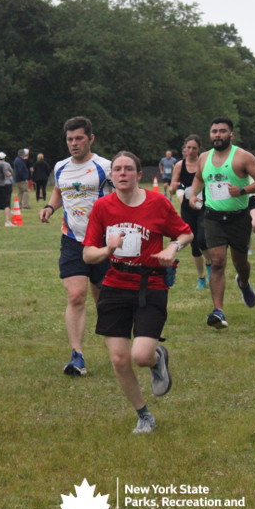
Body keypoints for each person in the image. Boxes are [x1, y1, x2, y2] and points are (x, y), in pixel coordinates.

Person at [82, 151, 193, 434]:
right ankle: (144, 415)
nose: (122, 173)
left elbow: (185, 233)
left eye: (128, 169)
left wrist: (172, 247)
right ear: (111, 176)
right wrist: (108, 249)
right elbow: (88, 254)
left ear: (138, 174)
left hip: (151, 285)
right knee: (119, 359)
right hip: (115, 285)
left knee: (141, 356)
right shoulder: (102, 207)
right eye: (117, 169)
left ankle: (157, 357)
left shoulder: (157, 202)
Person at [39, 116, 113, 376]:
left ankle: (116, 347)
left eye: (79, 138)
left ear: (91, 138)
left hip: (103, 242)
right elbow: (59, 192)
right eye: (70, 139)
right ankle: (77, 355)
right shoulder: (61, 167)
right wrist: (50, 207)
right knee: (75, 295)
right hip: (72, 240)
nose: (74, 143)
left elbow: (123, 194)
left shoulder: (106, 166)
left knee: (104, 299)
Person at [189, 117, 255, 329]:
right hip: (213, 218)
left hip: (239, 218)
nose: (217, 135)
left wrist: (242, 190)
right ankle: (218, 311)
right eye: (214, 131)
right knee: (217, 263)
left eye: (222, 131)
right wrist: (193, 194)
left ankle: (243, 282)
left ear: (231, 134)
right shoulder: (204, 158)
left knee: (241, 264)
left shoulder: (243, 157)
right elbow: (199, 178)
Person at [170, 134, 209, 289]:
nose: (191, 151)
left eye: (194, 148)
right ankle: (201, 278)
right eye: (188, 148)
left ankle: (210, 264)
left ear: (199, 149)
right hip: (187, 208)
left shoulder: (204, 163)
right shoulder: (179, 165)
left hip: (203, 205)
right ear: (184, 149)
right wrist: (173, 188)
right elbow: (173, 185)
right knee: (194, 243)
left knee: (202, 239)